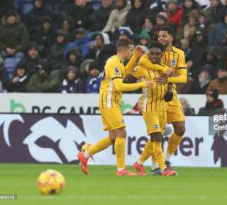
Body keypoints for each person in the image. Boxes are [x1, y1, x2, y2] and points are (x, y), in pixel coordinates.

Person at [77, 39, 153, 176]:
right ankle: (121, 169)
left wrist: (135, 56)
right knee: (122, 133)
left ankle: (85, 155)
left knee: (113, 137)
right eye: (130, 50)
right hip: (109, 101)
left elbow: (124, 74)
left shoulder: (116, 62)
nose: (131, 52)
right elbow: (119, 86)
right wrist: (142, 84)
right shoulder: (114, 63)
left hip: (110, 100)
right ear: (123, 50)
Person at [138, 26, 187, 171]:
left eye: (164, 36)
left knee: (180, 128)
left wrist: (169, 81)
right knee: (158, 133)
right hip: (155, 96)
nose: (161, 39)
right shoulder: (153, 52)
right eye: (159, 36)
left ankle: (166, 159)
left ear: (171, 37)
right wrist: (164, 70)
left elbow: (183, 78)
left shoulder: (179, 54)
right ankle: (155, 166)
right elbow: (142, 62)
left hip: (171, 95)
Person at [130, 42, 177, 176]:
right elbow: (128, 75)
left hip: (162, 106)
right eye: (152, 53)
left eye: (158, 54)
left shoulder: (165, 68)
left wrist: (169, 90)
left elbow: (171, 79)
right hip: (149, 107)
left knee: (155, 138)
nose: (155, 56)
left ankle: (139, 163)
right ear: (148, 54)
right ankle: (164, 169)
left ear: (162, 55)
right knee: (157, 137)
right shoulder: (142, 67)